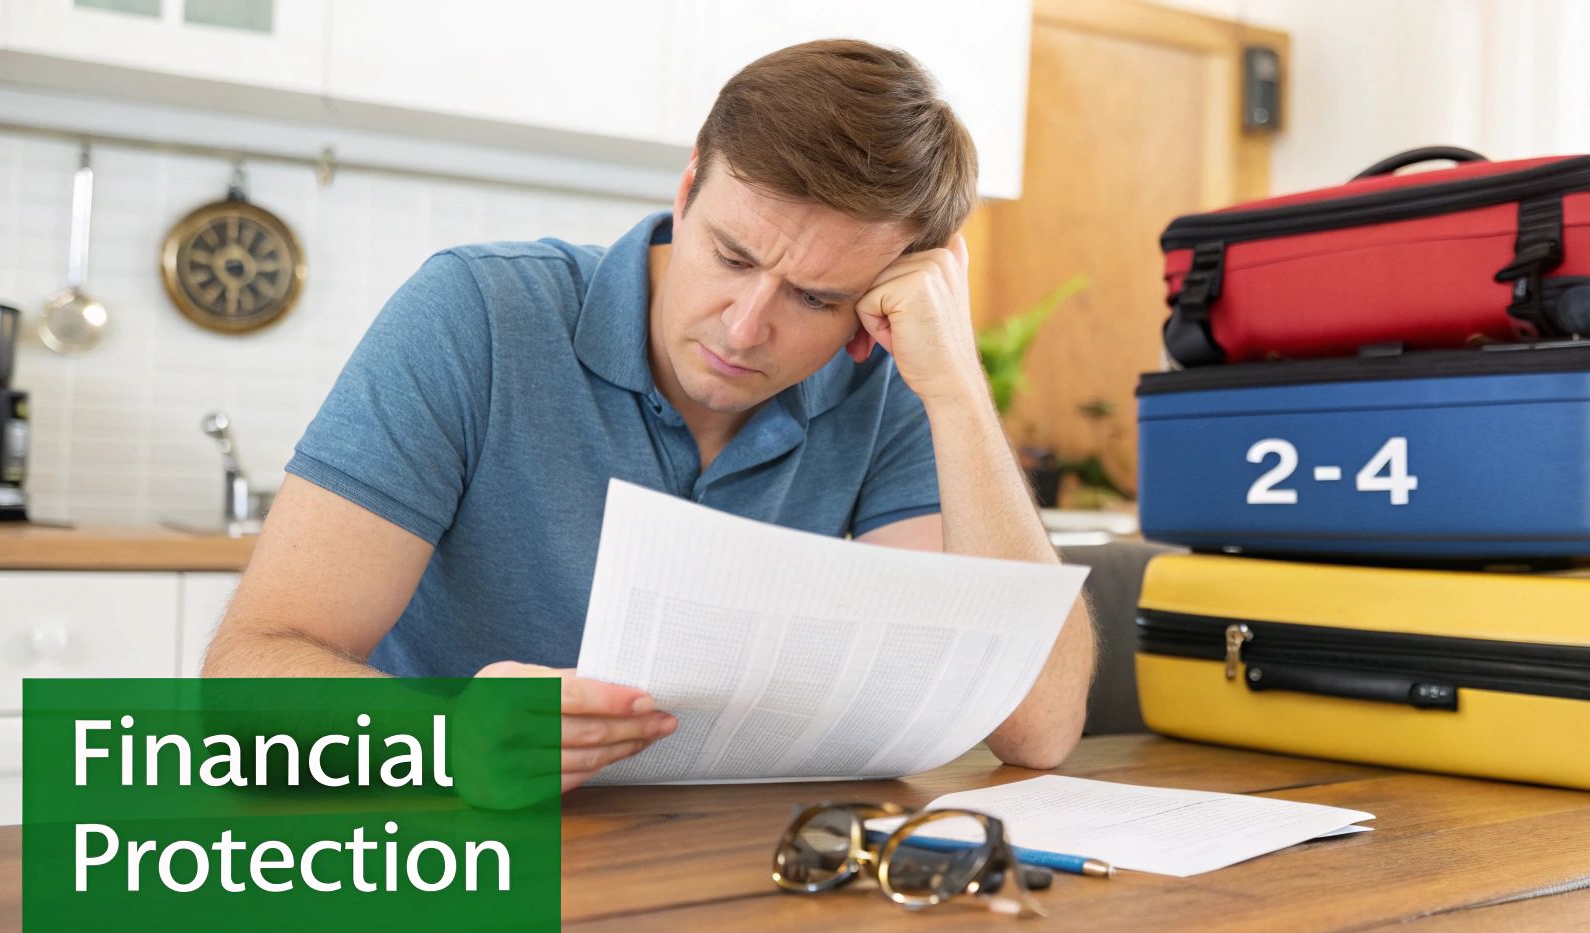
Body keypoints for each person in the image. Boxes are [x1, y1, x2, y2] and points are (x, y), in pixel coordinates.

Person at [204, 39, 1096, 788]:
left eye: (816, 299)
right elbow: (246, 675)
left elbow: (1039, 728)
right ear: (688, 188)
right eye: (732, 256)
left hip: (724, 870)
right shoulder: (475, 314)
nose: (745, 328)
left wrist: (958, 391)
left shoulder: (891, 381)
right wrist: (442, 736)